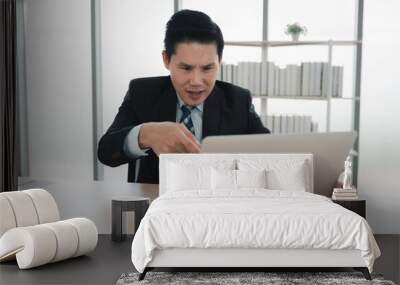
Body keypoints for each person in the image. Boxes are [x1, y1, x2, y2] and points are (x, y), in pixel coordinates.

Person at [97, 9, 270, 184]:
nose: (196, 81)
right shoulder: (142, 92)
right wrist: (145, 134)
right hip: (159, 204)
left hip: (220, 204)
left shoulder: (238, 99)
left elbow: (271, 153)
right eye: (186, 68)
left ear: (220, 60)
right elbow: (106, 153)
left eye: (207, 68)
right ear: (166, 60)